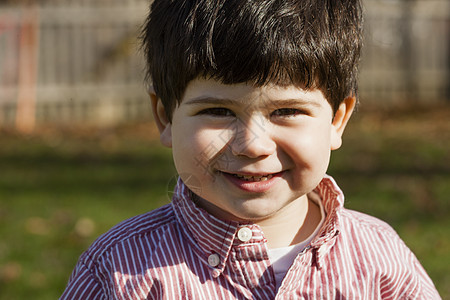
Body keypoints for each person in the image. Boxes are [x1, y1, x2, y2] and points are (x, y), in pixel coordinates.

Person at [60, 0, 441, 299]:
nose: (252, 145)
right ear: (166, 119)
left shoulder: (379, 257)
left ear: (337, 121)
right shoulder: (118, 268)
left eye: (287, 111)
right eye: (218, 111)